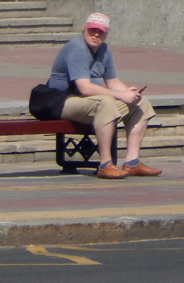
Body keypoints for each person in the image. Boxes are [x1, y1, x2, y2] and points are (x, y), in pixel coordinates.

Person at [46, 13, 162, 179]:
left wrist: (130, 94)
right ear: (84, 29)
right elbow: (84, 88)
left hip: (85, 102)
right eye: (92, 30)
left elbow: (112, 81)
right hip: (60, 102)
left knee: (141, 103)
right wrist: (120, 95)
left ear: (106, 33)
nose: (96, 35)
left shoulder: (104, 50)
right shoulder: (77, 49)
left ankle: (132, 162)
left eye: (100, 31)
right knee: (106, 102)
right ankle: (105, 164)